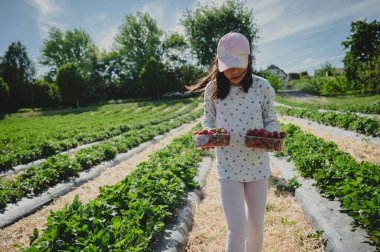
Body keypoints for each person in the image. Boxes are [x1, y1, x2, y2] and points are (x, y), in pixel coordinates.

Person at [186, 32, 278, 252]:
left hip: (257, 166)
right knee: (236, 230)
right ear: (218, 63)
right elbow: (208, 119)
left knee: (256, 226)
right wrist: (209, 133)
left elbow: (270, 119)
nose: (234, 71)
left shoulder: (262, 86)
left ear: (249, 60)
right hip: (228, 167)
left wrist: (268, 136)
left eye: (238, 64)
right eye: (228, 65)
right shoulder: (213, 89)